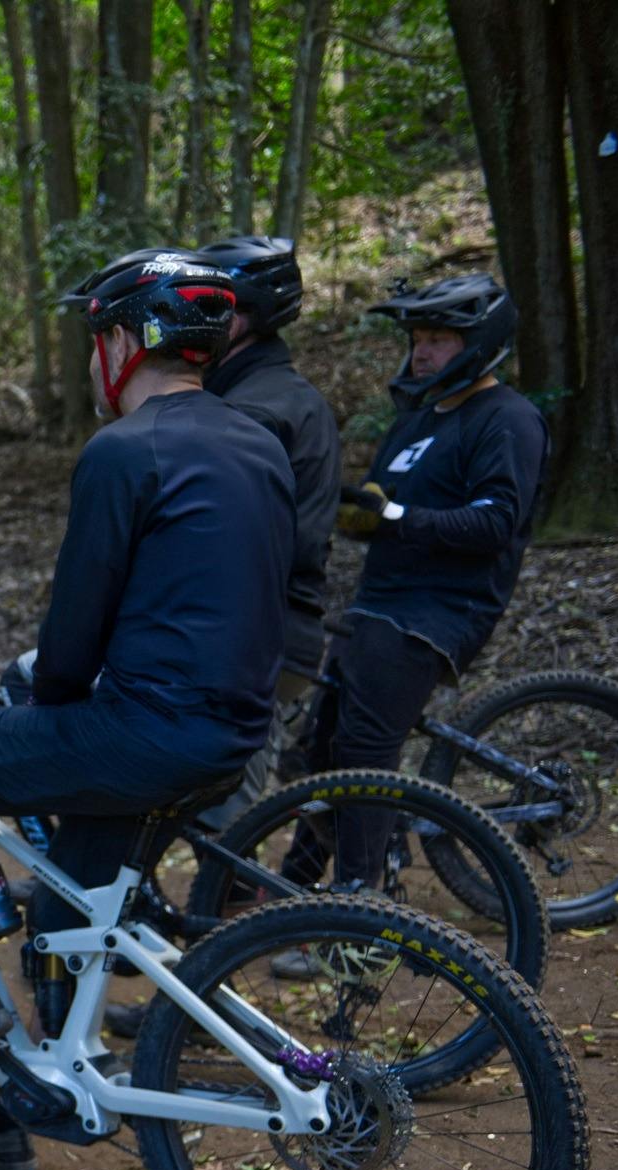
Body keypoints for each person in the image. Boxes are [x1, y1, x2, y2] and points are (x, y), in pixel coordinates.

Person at [0, 250, 293, 1170]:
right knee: (74, 902)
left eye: (98, 339)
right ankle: (24, 1102)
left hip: (137, 732)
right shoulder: (258, 441)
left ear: (128, 343)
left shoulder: (124, 451)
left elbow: (70, 644)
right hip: (232, 734)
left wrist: (40, 700)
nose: (96, 360)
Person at [302, 273, 548, 889]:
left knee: (363, 749)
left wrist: (398, 517)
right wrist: (365, 516)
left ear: (479, 342)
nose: (423, 351)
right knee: (317, 748)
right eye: (418, 337)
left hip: (440, 612)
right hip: (379, 602)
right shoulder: (416, 420)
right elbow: (392, 510)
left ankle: (362, 911)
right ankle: (294, 881)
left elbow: (495, 522)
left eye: (439, 338)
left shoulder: (508, 419)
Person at [190, 234, 341, 808]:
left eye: (206, 310)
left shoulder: (256, 410)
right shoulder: (271, 394)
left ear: (240, 320)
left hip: (256, 641)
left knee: (224, 825)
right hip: (270, 635)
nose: (189, 322)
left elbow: (234, 548)